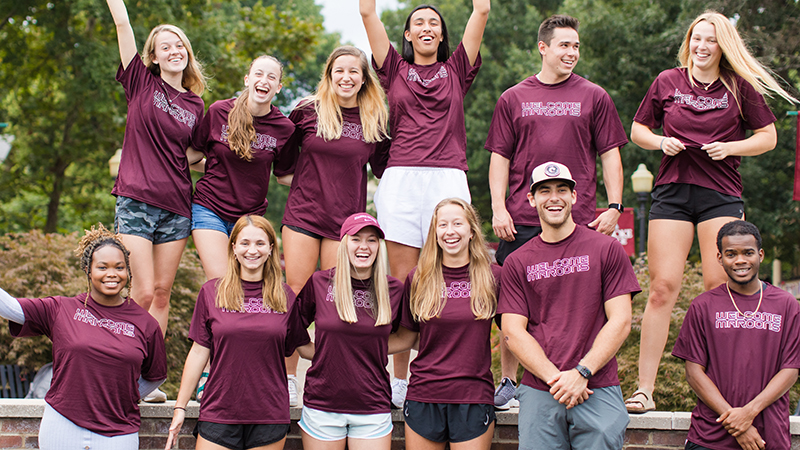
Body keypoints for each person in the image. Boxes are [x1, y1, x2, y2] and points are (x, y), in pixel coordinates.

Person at [628, 11, 798, 413]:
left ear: (723, 46)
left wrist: (731, 148)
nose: (703, 47)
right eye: (698, 39)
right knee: (661, 289)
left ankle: (718, 393)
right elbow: (638, 130)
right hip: (672, 193)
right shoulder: (667, 81)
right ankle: (644, 390)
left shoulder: (738, 87)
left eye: (712, 40)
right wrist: (659, 142)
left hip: (720, 195)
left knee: (716, 290)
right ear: (690, 41)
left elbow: (768, 138)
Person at [484, 14, 628, 409]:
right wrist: (498, 207)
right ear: (543, 47)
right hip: (521, 220)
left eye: (576, 46)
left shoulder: (594, 96)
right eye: (564, 45)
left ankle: (586, 373)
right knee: (514, 306)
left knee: (583, 303)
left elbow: (610, 154)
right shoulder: (513, 97)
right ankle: (510, 381)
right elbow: (499, 157)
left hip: (577, 219)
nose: (572, 53)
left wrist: (615, 205)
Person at [360, 0, 489, 407]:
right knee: (401, 282)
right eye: (419, 22)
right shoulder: (394, 68)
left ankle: (448, 367)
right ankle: (401, 379)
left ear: (442, 33)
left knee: (450, 273)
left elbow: (481, 11)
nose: (428, 27)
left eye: (434, 22)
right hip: (400, 178)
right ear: (409, 35)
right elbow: (368, 14)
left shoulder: (457, 69)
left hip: (448, 177)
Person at [499, 162, 640, 450]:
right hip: (541, 388)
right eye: (545, 191)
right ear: (531, 199)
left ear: (574, 197)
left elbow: (621, 320)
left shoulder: (606, 249)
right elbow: (513, 331)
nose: (554, 198)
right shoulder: (517, 261)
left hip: (596, 385)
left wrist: (582, 372)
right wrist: (558, 380)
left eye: (562, 190)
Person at [280, 46, 390, 406]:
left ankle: (329, 375)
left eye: (353, 72)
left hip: (345, 223)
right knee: (295, 294)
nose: (346, 77)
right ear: (329, 74)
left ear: (363, 77)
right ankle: (288, 378)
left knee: (333, 300)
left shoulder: (374, 118)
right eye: (339, 71)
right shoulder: (306, 112)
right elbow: (282, 165)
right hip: (303, 215)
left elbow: (386, 171)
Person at [0, 224, 167, 450]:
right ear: (88, 270)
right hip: (62, 424)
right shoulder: (61, 309)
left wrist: (127, 393)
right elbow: (10, 308)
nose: (112, 274)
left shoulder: (145, 323)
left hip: (119, 432)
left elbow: (156, 375)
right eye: (102, 267)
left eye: (119, 267)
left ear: (128, 271)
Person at [165, 215, 313, 450]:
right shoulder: (211, 292)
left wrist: (355, 344)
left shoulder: (284, 296)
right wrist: (180, 407)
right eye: (244, 243)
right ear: (233, 248)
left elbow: (304, 347)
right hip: (219, 411)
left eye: (260, 243)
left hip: (269, 413)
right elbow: (198, 352)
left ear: (270, 249)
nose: (252, 250)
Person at [106, 0, 207, 341]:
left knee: (162, 294)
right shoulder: (139, 82)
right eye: (166, 46)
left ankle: (150, 379)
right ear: (154, 57)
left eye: (180, 45)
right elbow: (122, 23)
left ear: (187, 54)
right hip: (136, 198)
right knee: (143, 292)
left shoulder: (196, 104)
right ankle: (125, 367)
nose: (174, 51)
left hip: (177, 207)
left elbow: (193, 153)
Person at [672, 220, 800, 450]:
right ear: (720, 258)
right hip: (710, 436)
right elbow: (693, 372)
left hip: (768, 436)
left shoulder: (787, 305)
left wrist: (748, 413)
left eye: (748, 253)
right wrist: (737, 422)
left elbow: (790, 369)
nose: (740, 260)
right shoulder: (703, 305)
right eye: (731, 254)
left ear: (760, 255)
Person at [389, 198, 500, 450]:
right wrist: (352, 347)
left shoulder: (493, 277)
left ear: (471, 231)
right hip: (424, 395)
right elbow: (406, 337)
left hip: (473, 397)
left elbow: (512, 333)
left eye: (457, 223)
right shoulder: (419, 278)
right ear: (435, 233)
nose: (450, 231)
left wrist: (510, 383)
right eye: (442, 225)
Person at [295, 213, 404, 450]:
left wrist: (367, 349)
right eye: (356, 238)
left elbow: (409, 335)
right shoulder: (320, 282)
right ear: (345, 242)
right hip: (322, 404)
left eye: (372, 240)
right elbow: (294, 330)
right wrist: (322, 353)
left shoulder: (393, 289)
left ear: (379, 246)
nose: (364, 246)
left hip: (372, 405)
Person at [188, 55, 296, 281]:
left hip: (250, 218)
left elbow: (285, 175)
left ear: (278, 87)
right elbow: (193, 155)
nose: (264, 80)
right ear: (248, 79)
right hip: (209, 208)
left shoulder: (284, 128)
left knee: (247, 285)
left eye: (271, 77)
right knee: (221, 280)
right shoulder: (219, 112)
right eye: (258, 74)